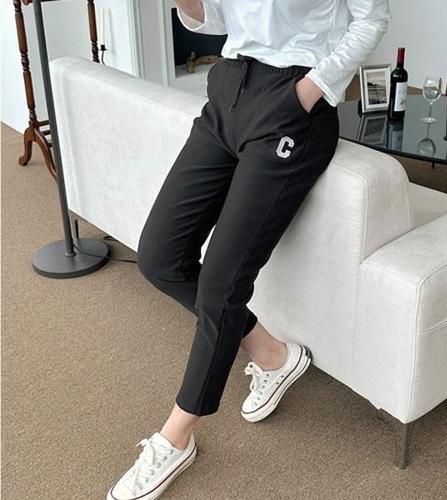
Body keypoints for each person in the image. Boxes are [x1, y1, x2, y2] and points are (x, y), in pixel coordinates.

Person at [107, 0, 390, 498]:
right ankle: (273, 355)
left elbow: (372, 17)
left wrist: (311, 89)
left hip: (293, 100)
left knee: (222, 285)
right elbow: (217, 18)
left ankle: (176, 437)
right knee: (159, 257)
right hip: (226, 91)